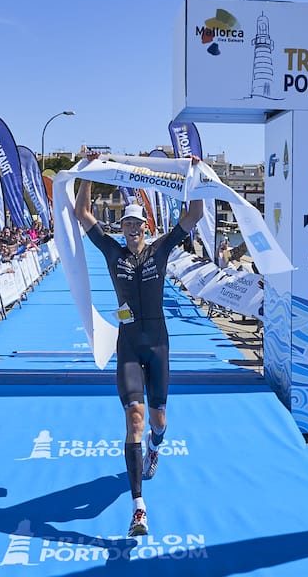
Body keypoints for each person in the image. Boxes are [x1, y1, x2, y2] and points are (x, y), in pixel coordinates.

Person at [73, 155, 203, 538]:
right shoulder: (112, 252)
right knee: (134, 419)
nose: (132, 228)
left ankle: (155, 448)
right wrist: (86, 173)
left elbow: (195, 214)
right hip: (129, 345)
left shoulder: (160, 250)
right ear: (122, 227)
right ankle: (138, 508)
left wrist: (194, 174)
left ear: (146, 226)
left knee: (158, 422)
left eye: (137, 223)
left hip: (158, 344)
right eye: (127, 223)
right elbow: (82, 213)